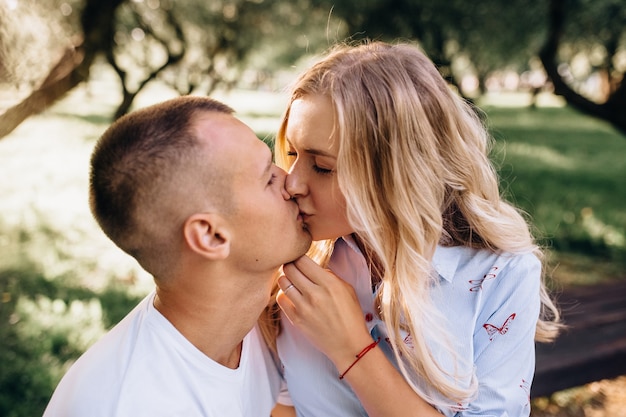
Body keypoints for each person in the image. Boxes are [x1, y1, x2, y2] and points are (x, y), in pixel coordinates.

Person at [272, 41, 562, 416]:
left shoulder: (500, 273)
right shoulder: (297, 255)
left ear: (397, 172)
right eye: (292, 154)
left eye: (323, 166)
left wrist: (351, 349)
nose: (292, 183)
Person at [43, 96, 311, 417]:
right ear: (211, 236)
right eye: (268, 177)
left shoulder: (274, 326)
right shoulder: (128, 405)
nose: (293, 183)